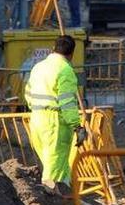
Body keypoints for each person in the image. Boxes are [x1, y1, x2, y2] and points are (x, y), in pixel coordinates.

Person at [24, 35, 86, 194]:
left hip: (36, 119)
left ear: (53, 48)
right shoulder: (65, 70)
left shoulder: (38, 67)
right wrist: (77, 126)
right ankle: (56, 203)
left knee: (55, 164)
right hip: (55, 123)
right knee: (54, 171)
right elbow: (67, 102)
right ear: (71, 53)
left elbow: (28, 93)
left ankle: (63, 199)